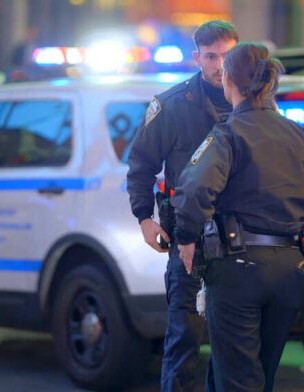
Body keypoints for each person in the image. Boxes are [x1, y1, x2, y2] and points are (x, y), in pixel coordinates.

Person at [173, 42, 304, 392]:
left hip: (238, 270)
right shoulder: (299, 136)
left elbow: (193, 192)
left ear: (228, 81)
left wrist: (187, 238)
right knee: (258, 376)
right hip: (291, 273)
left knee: (238, 380)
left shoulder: (227, 134)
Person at [126, 20, 238, 391]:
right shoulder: (172, 106)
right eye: (211, 56)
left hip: (242, 238)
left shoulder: (251, 105)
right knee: (184, 339)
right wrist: (144, 217)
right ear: (197, 58)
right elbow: (141, 164)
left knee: (234, 348)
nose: (220, 65)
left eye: (227, 55)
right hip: (188, 238)